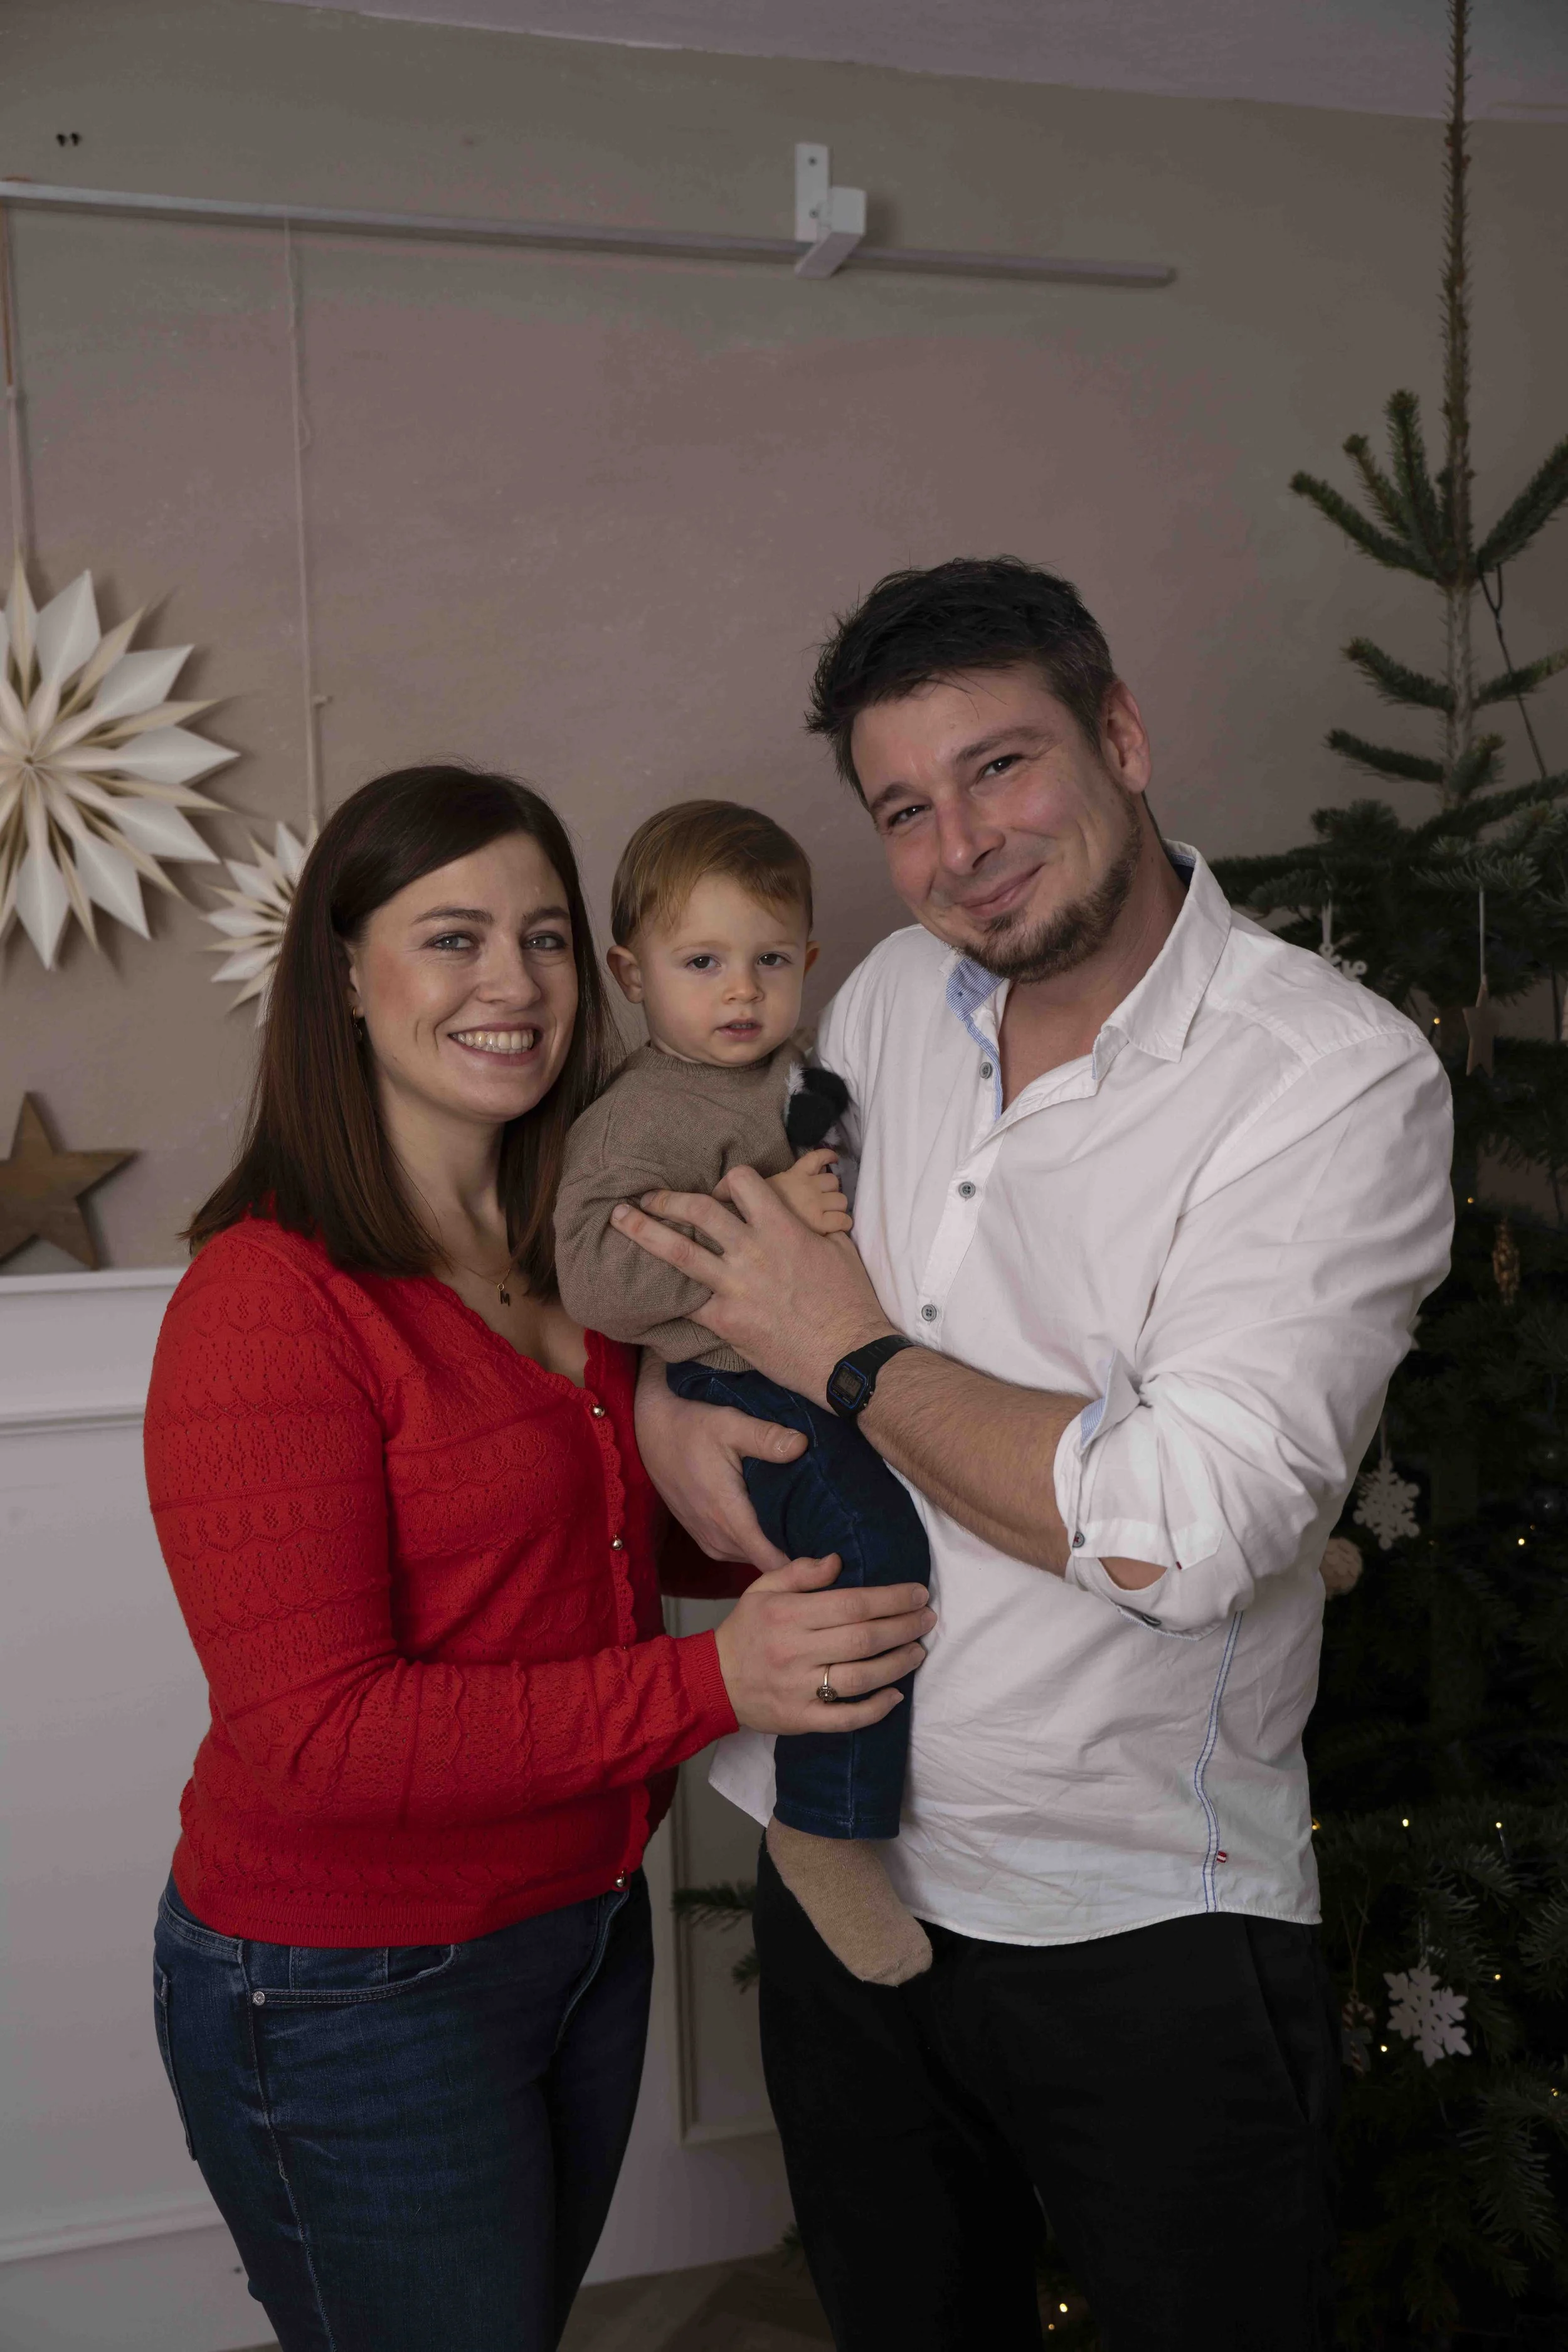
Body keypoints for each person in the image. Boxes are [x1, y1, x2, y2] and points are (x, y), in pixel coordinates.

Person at [616, 559, 1455, 2352]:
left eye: (998, 766)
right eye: (903, 808)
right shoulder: (882, 1001)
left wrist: (844, 1353)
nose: (960, 845)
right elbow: (737, 1274)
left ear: (1120, 737)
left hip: (1135, 1912)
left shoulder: (1325, 1078)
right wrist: (660, 1405)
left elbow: (1182, 1533)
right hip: (836, 1860)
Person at [142, 765, 933, 2352]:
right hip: (348, 1983)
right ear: (342, 978)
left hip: (578, 1928)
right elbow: (315, 1736)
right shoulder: (267, 1303)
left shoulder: (572, 1256)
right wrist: (715, 1685)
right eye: (452, 938)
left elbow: (576, 1564)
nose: (511, 983)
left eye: (546, 937)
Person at [554, 800, 933, 1989]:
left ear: (807, 961)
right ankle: (823, 1827)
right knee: (871, 1546)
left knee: (962, 1473)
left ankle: (1224, 1567)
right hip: (741, 1381)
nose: (741, 991)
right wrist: (759, 1208)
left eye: (770, 960)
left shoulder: (805, 1068)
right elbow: (593, 1275)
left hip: (840, 1358)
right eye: (703, 963)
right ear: (632, 974)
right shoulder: (638, 1116)